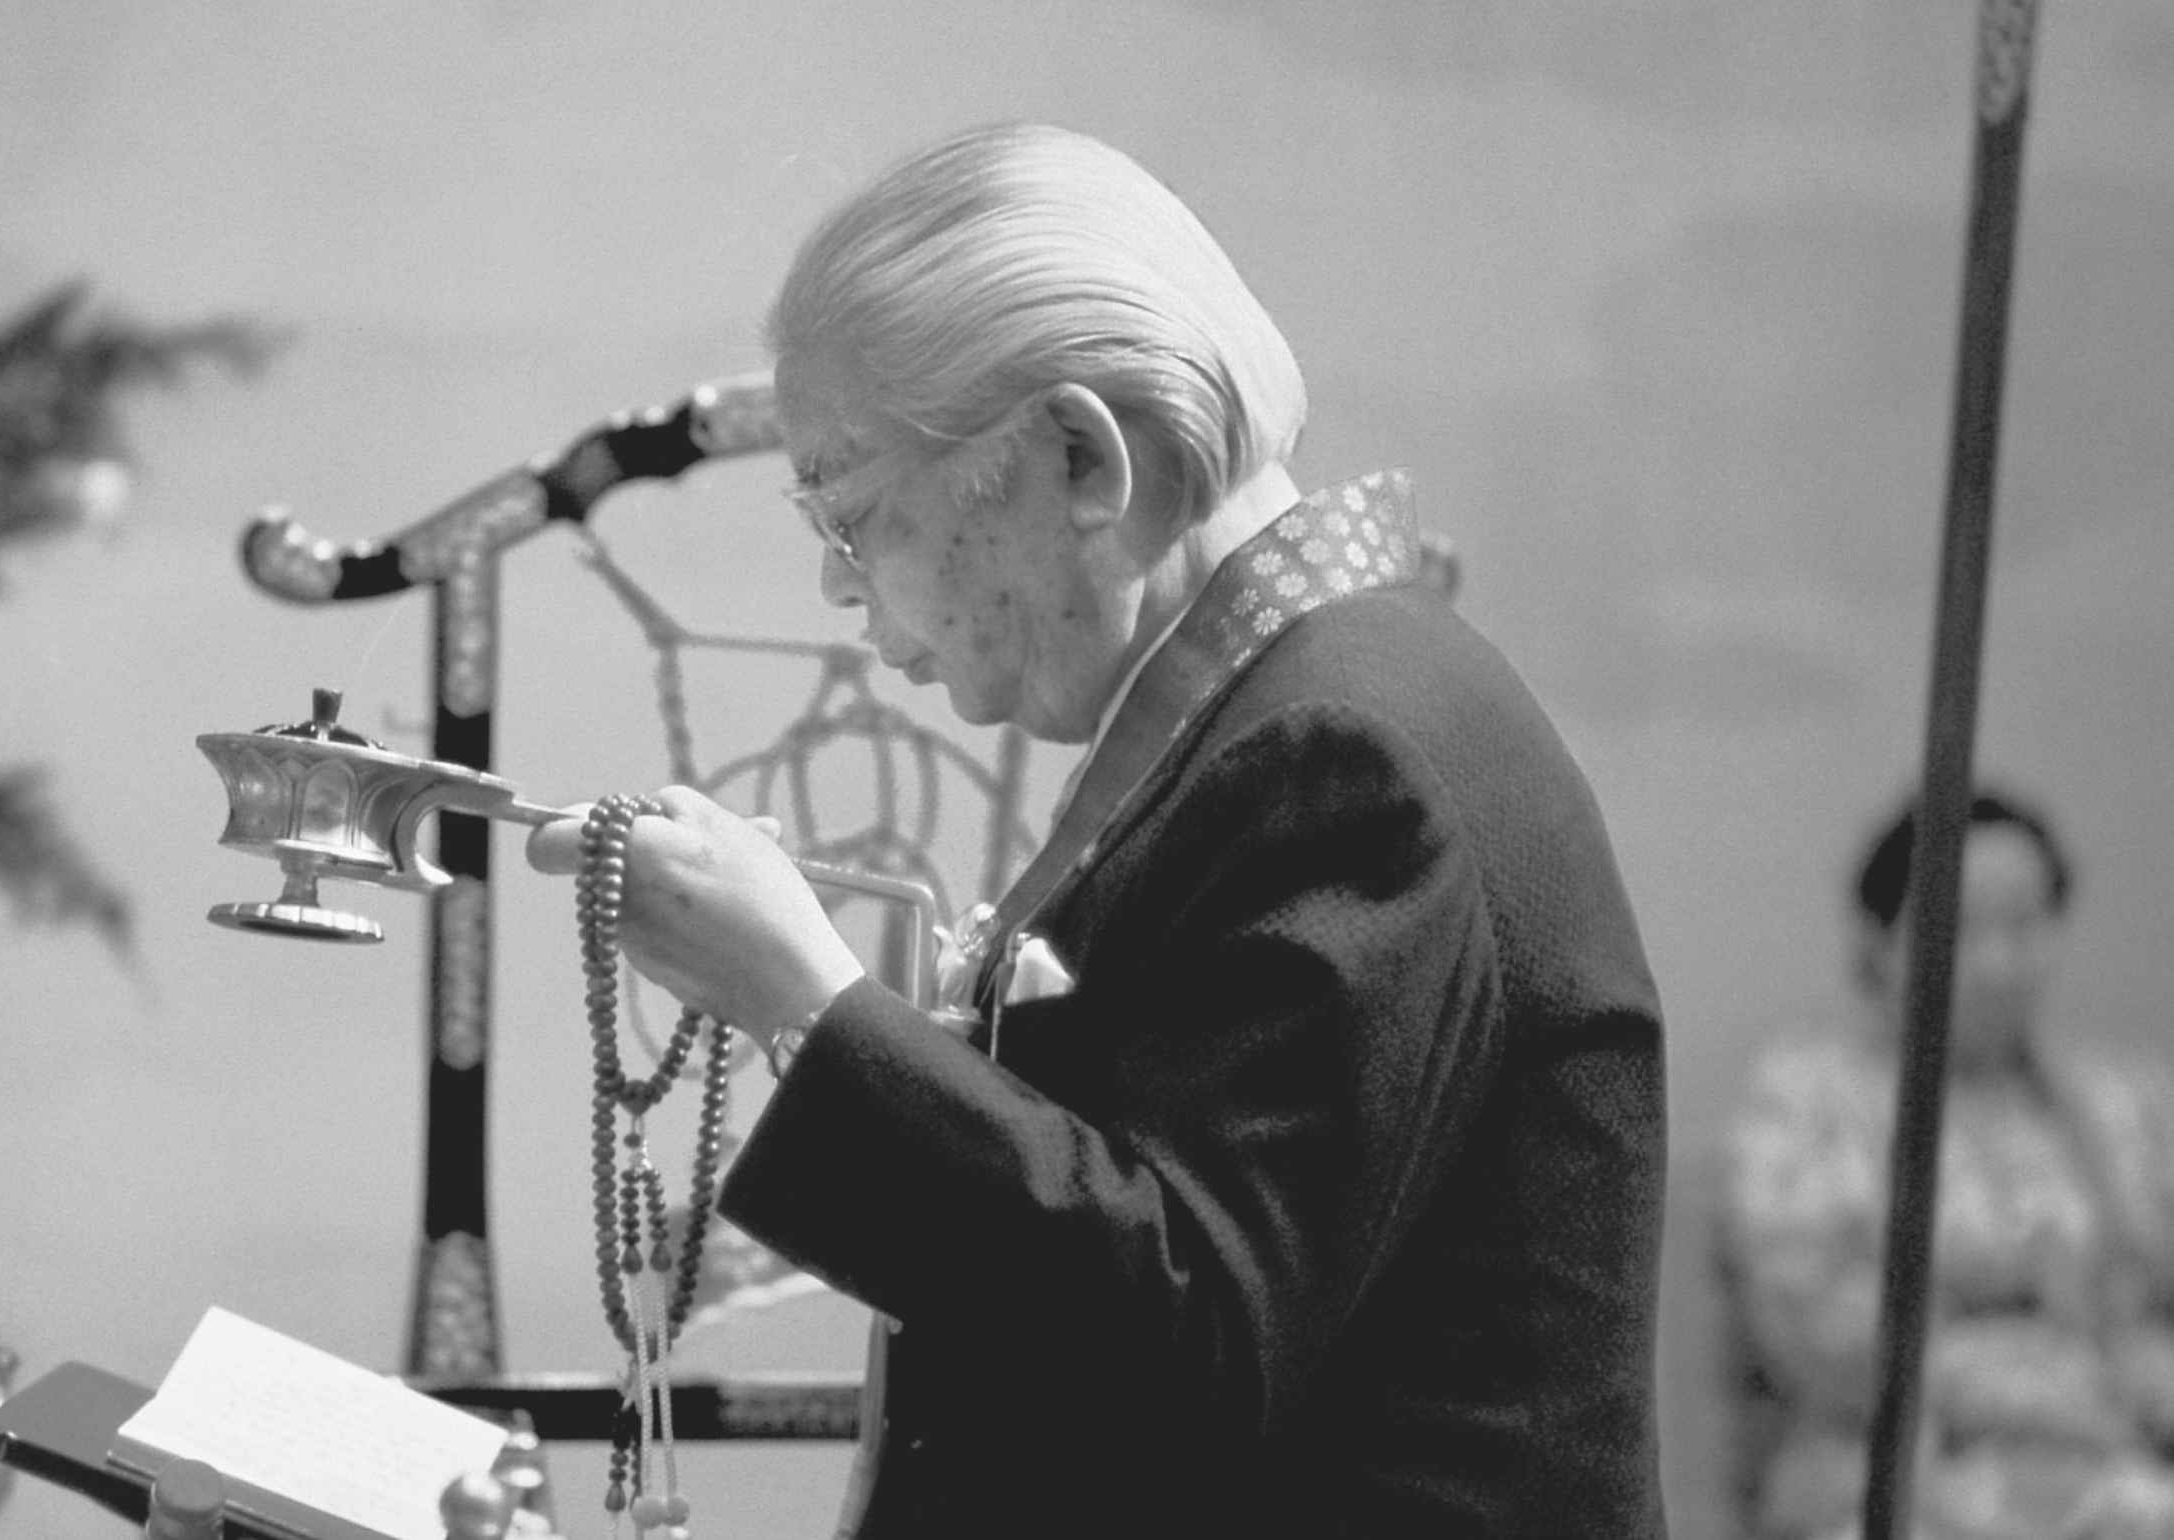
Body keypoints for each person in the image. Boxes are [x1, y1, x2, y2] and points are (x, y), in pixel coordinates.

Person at [528, 123, 1669, 1536]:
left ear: (1078, 458)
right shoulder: (1280, 713)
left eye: (854, 511)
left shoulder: (1345, 754)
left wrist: (802, 1001)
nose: (837, 590)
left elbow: (1185, 1340)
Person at [1720, 791, 2174, 1540]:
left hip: (2115, 1449)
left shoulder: (2118, 1107)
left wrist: (2139, 1378)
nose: (2000, 962)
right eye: (1963, 929)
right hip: (1897, 1463)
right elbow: (1817, 1328)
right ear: (1882, 939)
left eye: (2025, 926)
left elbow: (2147, 1299)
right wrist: (2036, 1389)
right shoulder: (1806, 1100)